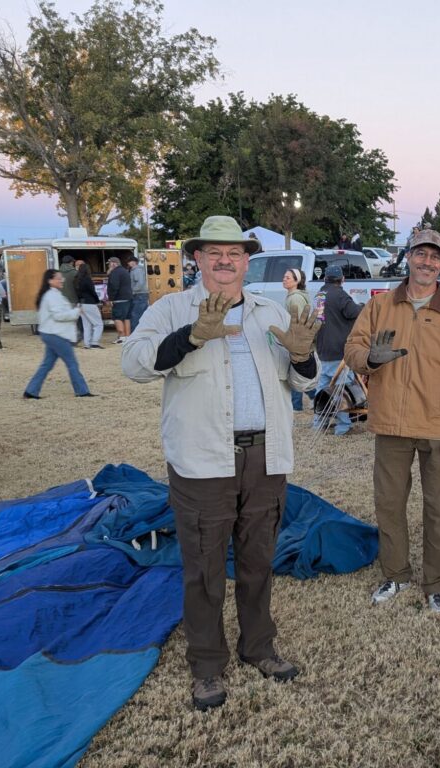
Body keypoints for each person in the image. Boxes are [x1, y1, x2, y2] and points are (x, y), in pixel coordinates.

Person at [121, 215, 321, 711]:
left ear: (247, 261)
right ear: (198, 260)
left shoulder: (268, 311)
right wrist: (191, 337)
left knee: (257, 561)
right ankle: (207, 666)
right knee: (204, 568)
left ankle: (259, 648)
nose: (225, 261)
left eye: (234, 253)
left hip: (265, 458)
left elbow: (303, 382)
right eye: (214, 253)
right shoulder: (170, 309)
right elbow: (134, 363)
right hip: (203, 461)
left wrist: (301, 357)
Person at [344, 228, 440, 614]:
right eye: (421, 254)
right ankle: (395, 573)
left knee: (438, 509)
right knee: (388, 506)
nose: (428, 262)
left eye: (436, 257)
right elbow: (351, 348)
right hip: (389, 426)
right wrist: (370, 358)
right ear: (409, 256)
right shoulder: (381, 305)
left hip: (437, 428)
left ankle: (435, 582)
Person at [24, 269, 93, 399]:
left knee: (47, 365)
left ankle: (31, 391)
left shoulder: (52, 295)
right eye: (58, 278)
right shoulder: (52, 296)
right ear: (50, 280)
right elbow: (59, 316)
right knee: (72, 363)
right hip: (56, 334)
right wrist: (76, 312)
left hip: (51, 333)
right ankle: (82, 391)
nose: (62, 280)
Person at [313, 265, 363, 434]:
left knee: (323, 388)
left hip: (323, 348)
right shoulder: (340, 294)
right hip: (338, 350)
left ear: (325, 278)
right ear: (342, 279)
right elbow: (353, 312)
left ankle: (318, 423)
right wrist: (362, 306)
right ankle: (343, 427)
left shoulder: (320, 295)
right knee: (342, 389)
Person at [283, 267, 311, 411]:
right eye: (284, 277)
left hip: (296, 340)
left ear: (296, 281)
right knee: (295, 371)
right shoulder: (293, 296)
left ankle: (315, 397)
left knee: (296, 371)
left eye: (288, 277)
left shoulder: (295, 298)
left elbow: (299, 320)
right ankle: (297, 404)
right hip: (294, 339)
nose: (284, 279)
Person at [76, 260, 104, 349]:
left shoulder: (77, 280)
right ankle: (94, 342)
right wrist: (98, 300)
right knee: (98, 324)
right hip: (90, 303)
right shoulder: (87, 280)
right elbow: (93, 292)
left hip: (81, 303)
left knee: (86, 325)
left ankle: (87, 344)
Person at [106, 257, 132, 343]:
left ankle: (121, 337)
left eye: (109, 264)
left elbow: (114, 286)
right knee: (126, 318)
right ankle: (127, 337)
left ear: (114, 263)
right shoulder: (125, 271)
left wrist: (111, 299)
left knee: (117, 318)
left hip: (119, 299)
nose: (109, 266)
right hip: (128, 298)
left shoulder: (115, 272)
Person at [128, 256, 149, 332]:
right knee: (141, 314)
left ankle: (135, 332)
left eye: (129, 262)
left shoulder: (137, 270)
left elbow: (140, 283)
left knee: (135, 314)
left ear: (133, 262)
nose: (128, 263)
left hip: (139, 294)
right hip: (141, 294)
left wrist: (132, 291)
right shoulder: (138, 270)